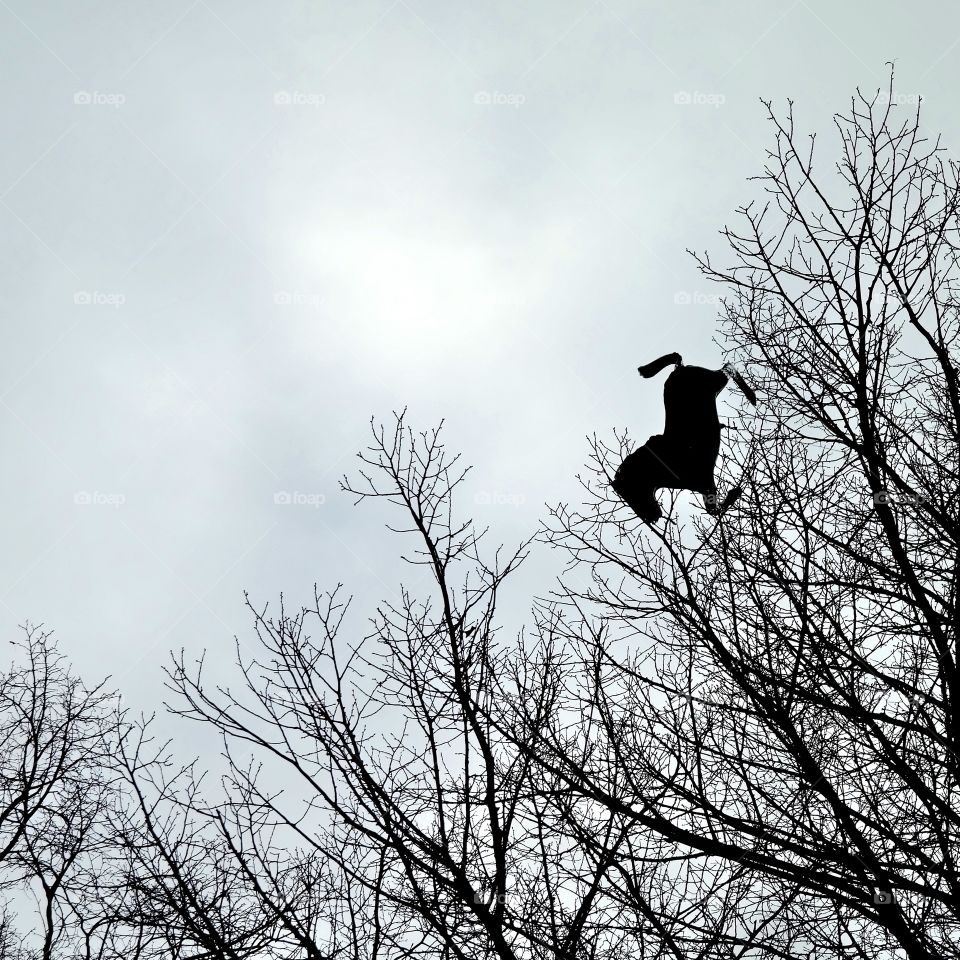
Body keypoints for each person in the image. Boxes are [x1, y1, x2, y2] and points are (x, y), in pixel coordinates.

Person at [612, 353, 756, 524]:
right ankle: (632, 485)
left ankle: (632, 485)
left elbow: (713, 508)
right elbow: (713, 508)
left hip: (683, 386)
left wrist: (727, 502)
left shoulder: (700, 479)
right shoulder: (699, 479)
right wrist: (727, 502)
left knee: (664, 451)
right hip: (679, 386)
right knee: (663, 452)